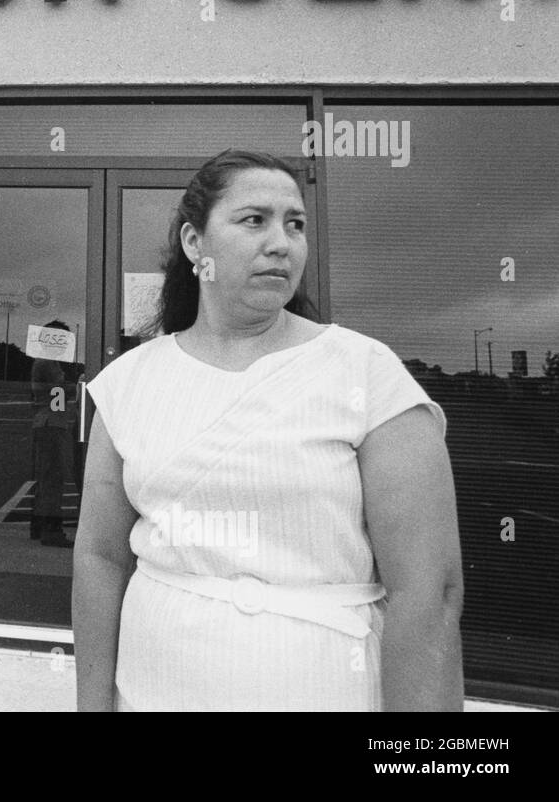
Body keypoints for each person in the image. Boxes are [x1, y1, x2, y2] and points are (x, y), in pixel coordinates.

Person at [73, 149, 463, 711]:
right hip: (152, 692)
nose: (282, 242)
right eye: (254, 220)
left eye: (295, 224)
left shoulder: (366, 373)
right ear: (194, 244)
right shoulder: (129, 383)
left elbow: (429, 592)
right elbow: (99, 557)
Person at [29, 320, 75, 547]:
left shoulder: (46, 360)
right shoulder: (47, 362)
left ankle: (38, 525)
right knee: (52, 478)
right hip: (51, 423)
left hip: (47, 422)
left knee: (45, 477)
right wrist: (76, 387)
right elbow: (56, 393)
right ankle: (51, 529)